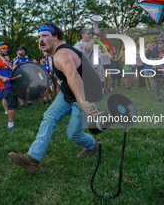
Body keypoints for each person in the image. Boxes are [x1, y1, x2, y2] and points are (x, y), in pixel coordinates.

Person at [8, 22, 103, 174]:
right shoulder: (54, 53)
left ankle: (92, 146)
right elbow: (66, 77)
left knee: (74, 134)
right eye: (39, 37)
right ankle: (32, 159)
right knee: (49, 117)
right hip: (67, 94)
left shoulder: (62, 54)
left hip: (86, 95)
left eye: (44, 36)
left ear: (55, 37)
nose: (40, 40)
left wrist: (83, 102)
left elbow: (73, 75)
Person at [0, 42, 18, 129]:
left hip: (10, 85)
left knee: (13, 104)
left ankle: (12, 121)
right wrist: (2, 78)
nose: (6, 50)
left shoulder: (5, 60)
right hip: (4, 86)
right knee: (11, 104)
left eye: (6, 48)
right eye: (3, 48)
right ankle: (10, 125)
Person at [150, 38, 164, 104]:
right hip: (156, 70)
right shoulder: (154, 51)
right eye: (158, 43)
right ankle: (159, 98)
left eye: (160, 43)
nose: (158, 44)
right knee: (156, 85)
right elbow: (151, 59)